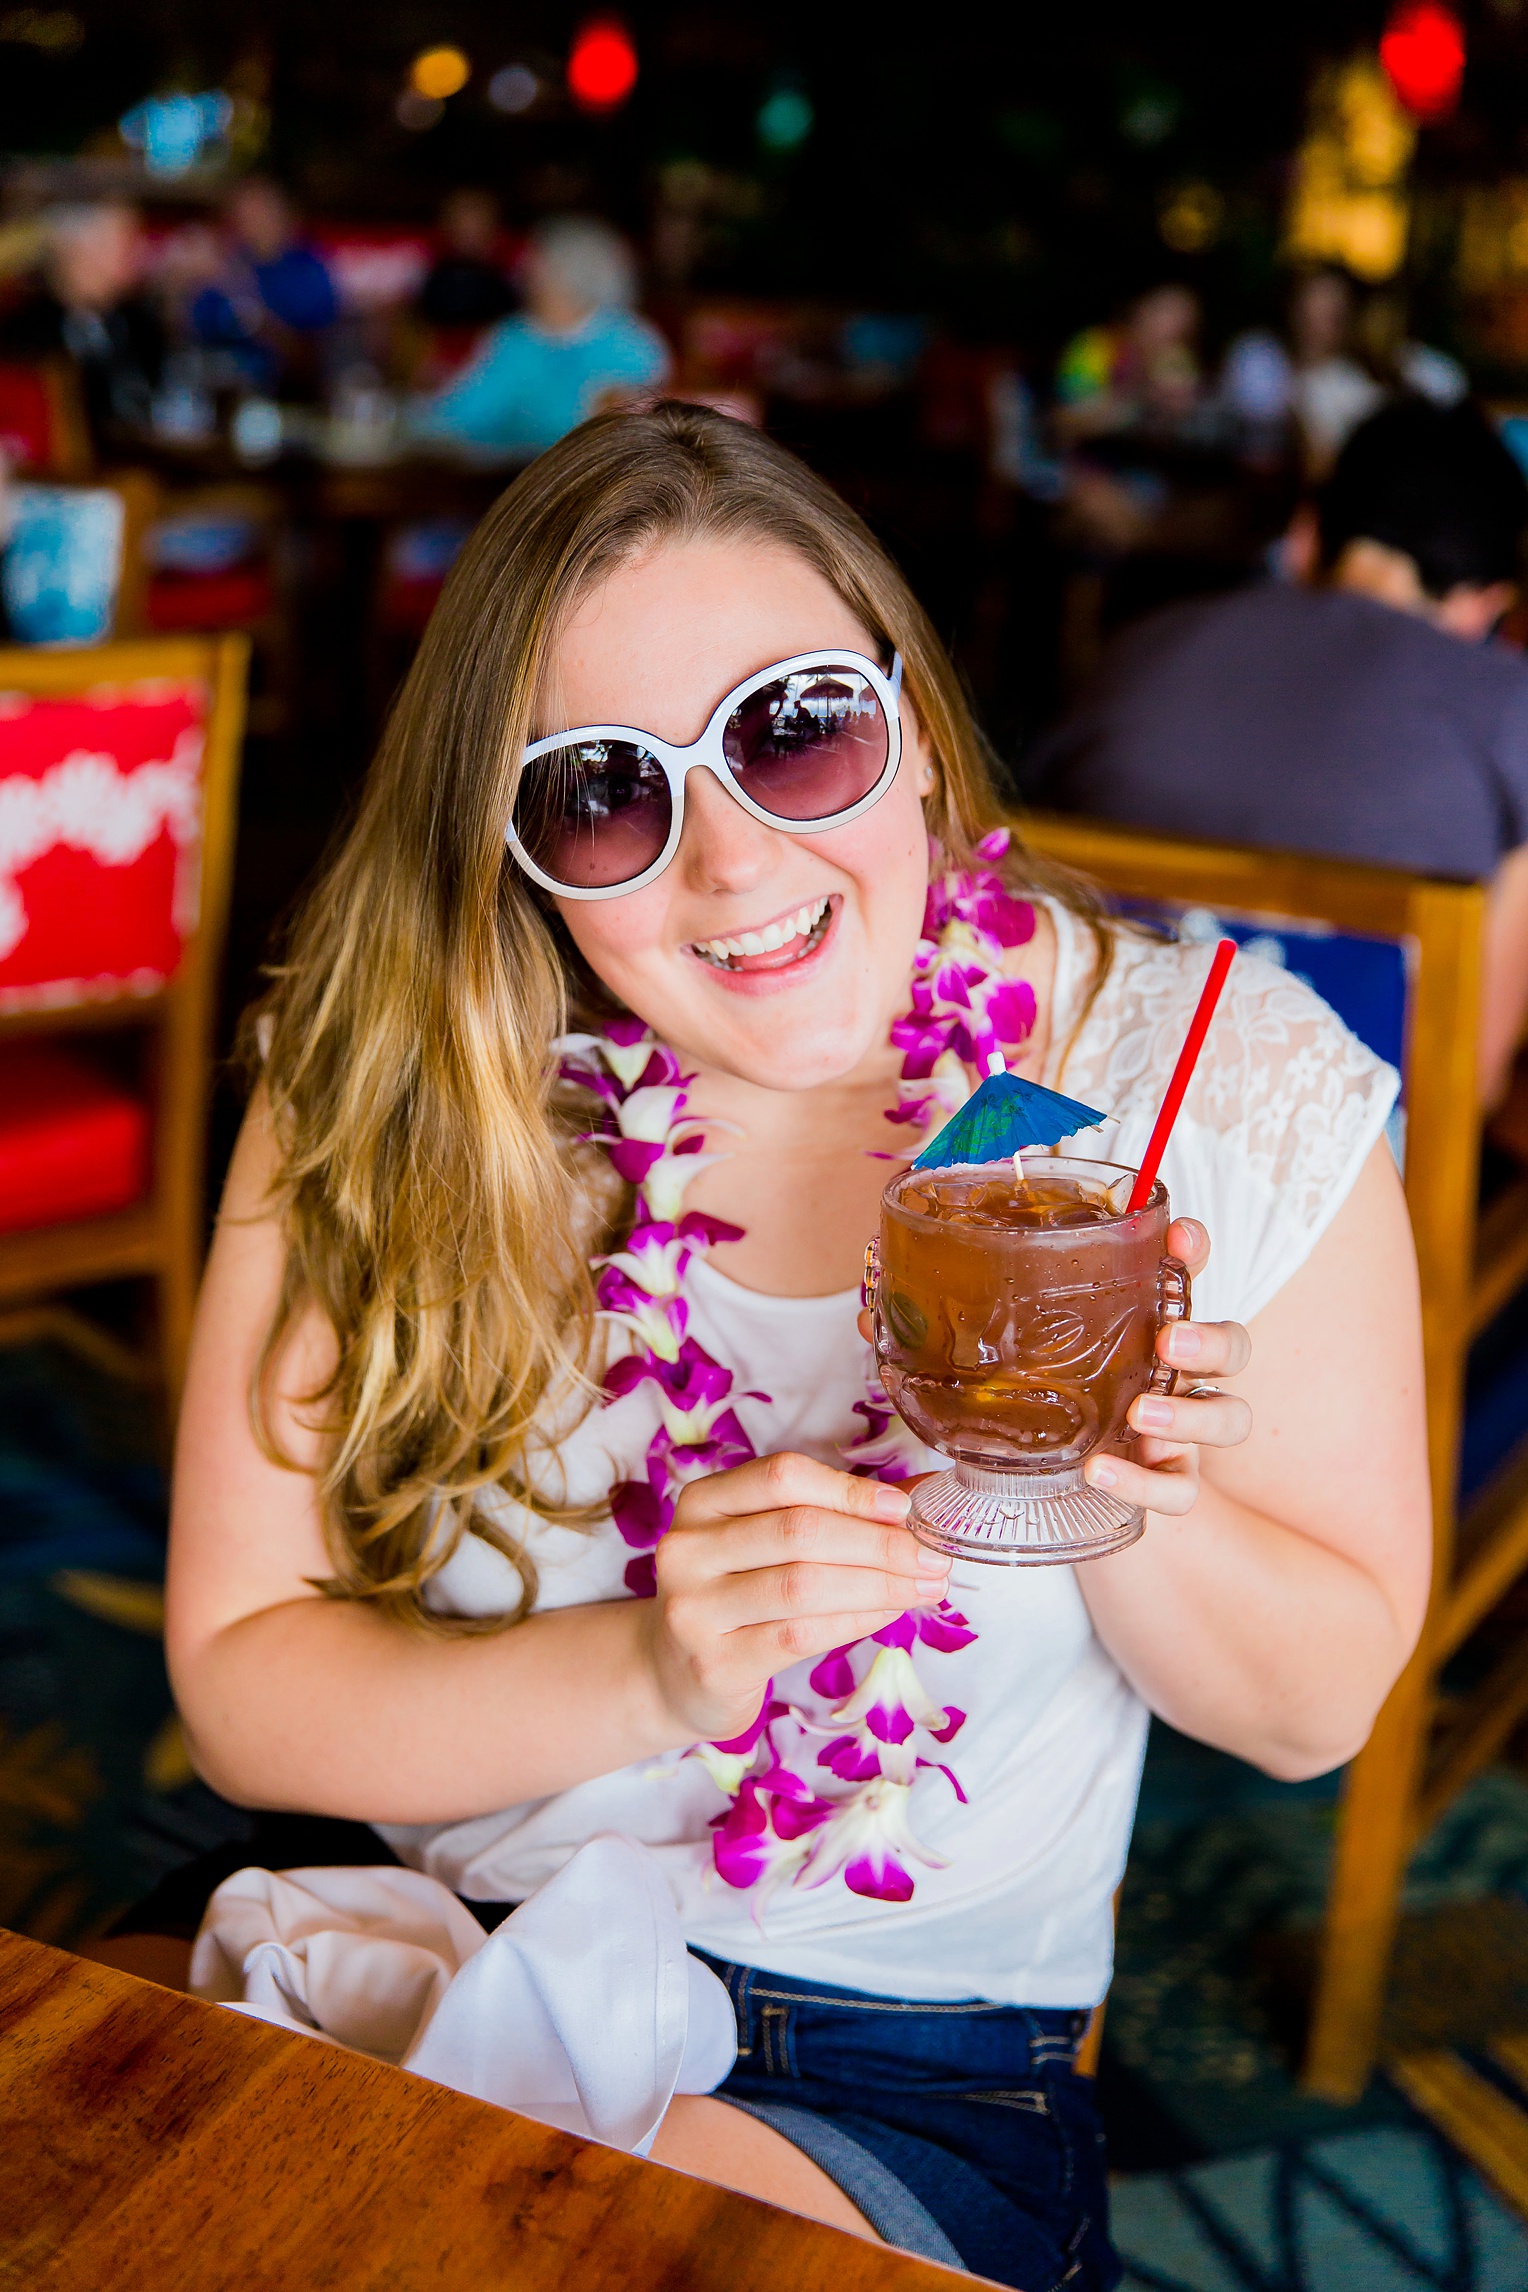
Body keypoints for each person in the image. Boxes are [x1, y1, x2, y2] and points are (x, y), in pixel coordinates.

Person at [157, 406, 1427, 2286]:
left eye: (792, 730)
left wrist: (1096, 1462)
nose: (734, 869)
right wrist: (659, 1666)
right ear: (514, 846)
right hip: (457, 1979)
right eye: (604, 791)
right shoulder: (402, 1092)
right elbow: (247, 1680)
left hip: (908, 2074)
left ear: (906, 716)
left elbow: (1307, 1707)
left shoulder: (1204, 1084)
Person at [1032, 399, 1528, 1106]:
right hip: (1356, 1187)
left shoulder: (1138, 648)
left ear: (1305, 536)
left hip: (1080, 1151)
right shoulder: (1511, 707)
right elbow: (1468, 1081)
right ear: (1487, 604)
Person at [410, 215, 670, 463]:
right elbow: (461, 413)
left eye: (537, 263)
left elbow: (634, 434)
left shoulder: (629, 343)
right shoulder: (513, 337)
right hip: (504, 481)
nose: (524, 274)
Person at [0, 201, 164, 455]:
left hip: (152, 468)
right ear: (78, 248)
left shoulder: (138, 323)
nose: (138, 252)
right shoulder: (24, 334)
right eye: (125, 240)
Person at [188, 176, 338, 391]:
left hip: (284, 395)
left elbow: (308, 355)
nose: (248, 219)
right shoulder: (224, 261)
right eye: (242, 209)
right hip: (218, 390)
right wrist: (177, 289)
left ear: (284, 212)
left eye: (259, 209)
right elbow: (188, 335)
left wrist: (242, 293)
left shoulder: (307, 270)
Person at [417, 189, 516, 329]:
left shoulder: (512, 279)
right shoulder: (426, 277)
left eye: (477, 224)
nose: (470, 235)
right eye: (463, 225)